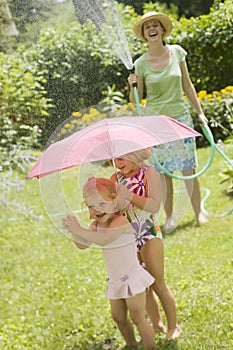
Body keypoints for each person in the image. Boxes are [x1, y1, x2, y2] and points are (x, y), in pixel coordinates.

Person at [128, 11, 208, 231]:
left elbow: (188, 86)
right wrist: (132, 84)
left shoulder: (177, 52)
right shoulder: (141, 63)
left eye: (156, 25)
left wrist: (199, 112)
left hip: (180, 118)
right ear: (144, 35)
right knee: (164, 174)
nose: (152, 29)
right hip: (156, 124)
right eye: (147, 27)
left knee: (188, 168)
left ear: (162, 30)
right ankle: (170, 217)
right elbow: (137, 100)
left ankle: (198, 212)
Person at [62, 177, 156, 350]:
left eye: (101, 203)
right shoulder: (96, 225)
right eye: (91, 206)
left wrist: (79, 230)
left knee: (138, 317)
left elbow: (105, 240)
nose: (96, 209)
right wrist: (75, 232)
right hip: (116, 280)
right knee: (118, 317)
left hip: (132, 278)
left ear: (114, 202)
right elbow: (83, 245)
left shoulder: (120, 221)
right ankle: (131, 345)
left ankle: (152, 348)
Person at [110, 149, 182, 341]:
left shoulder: (148, 173)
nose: (117, 163)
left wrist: (129, 196)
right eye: (114, 159)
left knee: (158, 283)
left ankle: (173, 327)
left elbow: (154, 206)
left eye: (121, 157)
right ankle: (157, 324)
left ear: (136, 154)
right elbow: (115, 212)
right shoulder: (115, 178)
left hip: (149, 235)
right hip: (129, 240)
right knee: (143, 285)